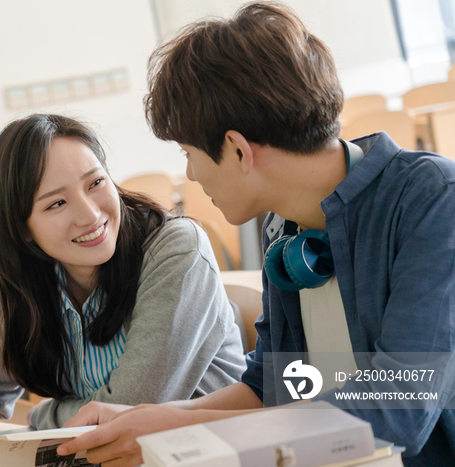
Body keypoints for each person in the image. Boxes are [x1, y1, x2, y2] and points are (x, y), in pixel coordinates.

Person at [56, 3, 455, 466]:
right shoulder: (282, 223)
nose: (190, 173)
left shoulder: (432, 198)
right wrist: (149, 419)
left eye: (188, 152)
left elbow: (398, 404)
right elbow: (273, 386)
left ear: (238, 150)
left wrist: (182, 432)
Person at [0, 114, 246, 458]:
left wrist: (44, 414)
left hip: (205, 455)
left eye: (95, 183)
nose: (90, 214)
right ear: (23, 230)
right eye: (56, 203)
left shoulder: (175, 249)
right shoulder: (24, 286)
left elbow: (124, 413)